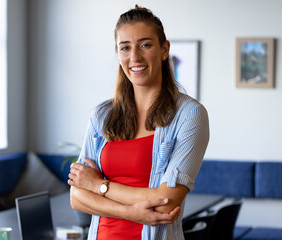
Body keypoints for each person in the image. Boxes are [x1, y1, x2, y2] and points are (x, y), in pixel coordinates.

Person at [68, 5, 209, 240]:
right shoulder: (101, 116)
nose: (135, 57)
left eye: (145, 45)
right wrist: (132, 212)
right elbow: (76, 196)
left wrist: (99, 187)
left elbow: (166, 202)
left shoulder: (190, 115)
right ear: (118, 54)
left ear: (164, 49)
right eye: (125, 47)